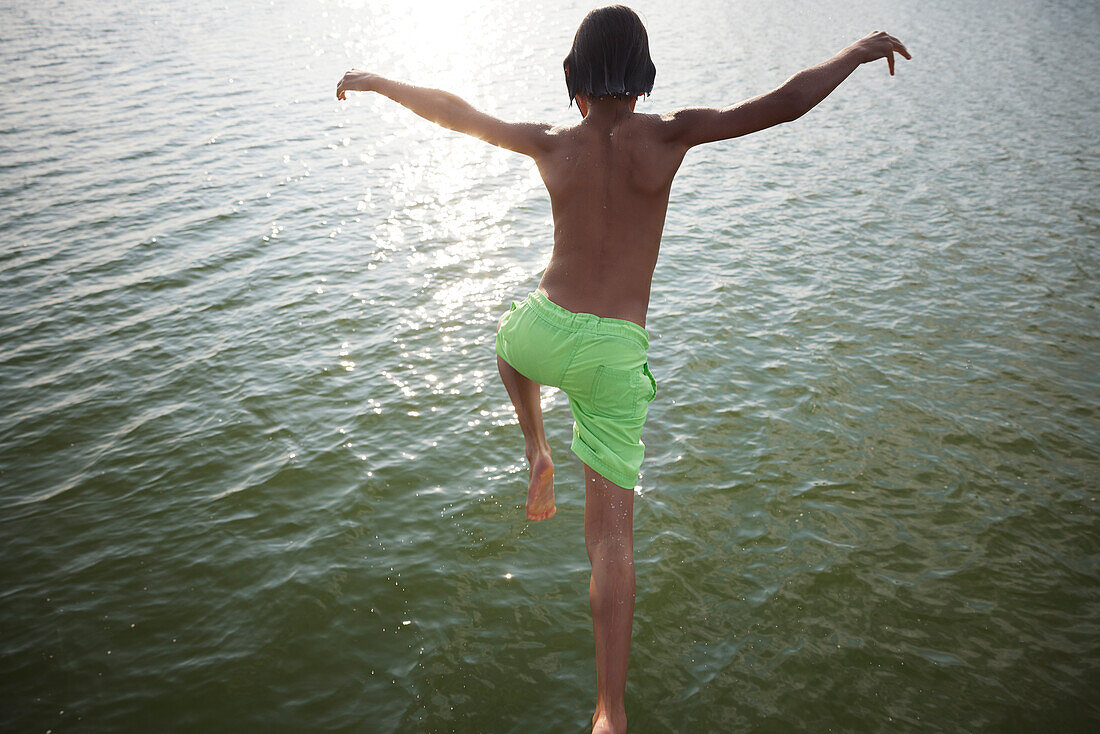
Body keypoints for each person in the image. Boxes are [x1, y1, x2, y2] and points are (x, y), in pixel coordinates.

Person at [337, 6, 909, 732]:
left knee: (509, 348)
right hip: (614, 353)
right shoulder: (668, 134)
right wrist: (856, 51)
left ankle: (535, 447)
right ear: (642, 78)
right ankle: (610, 711)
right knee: (612, 540)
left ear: (574, 79)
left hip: (545, 330)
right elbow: (784, 103)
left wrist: (383, 82)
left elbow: (458, 114)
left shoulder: (550, 141)